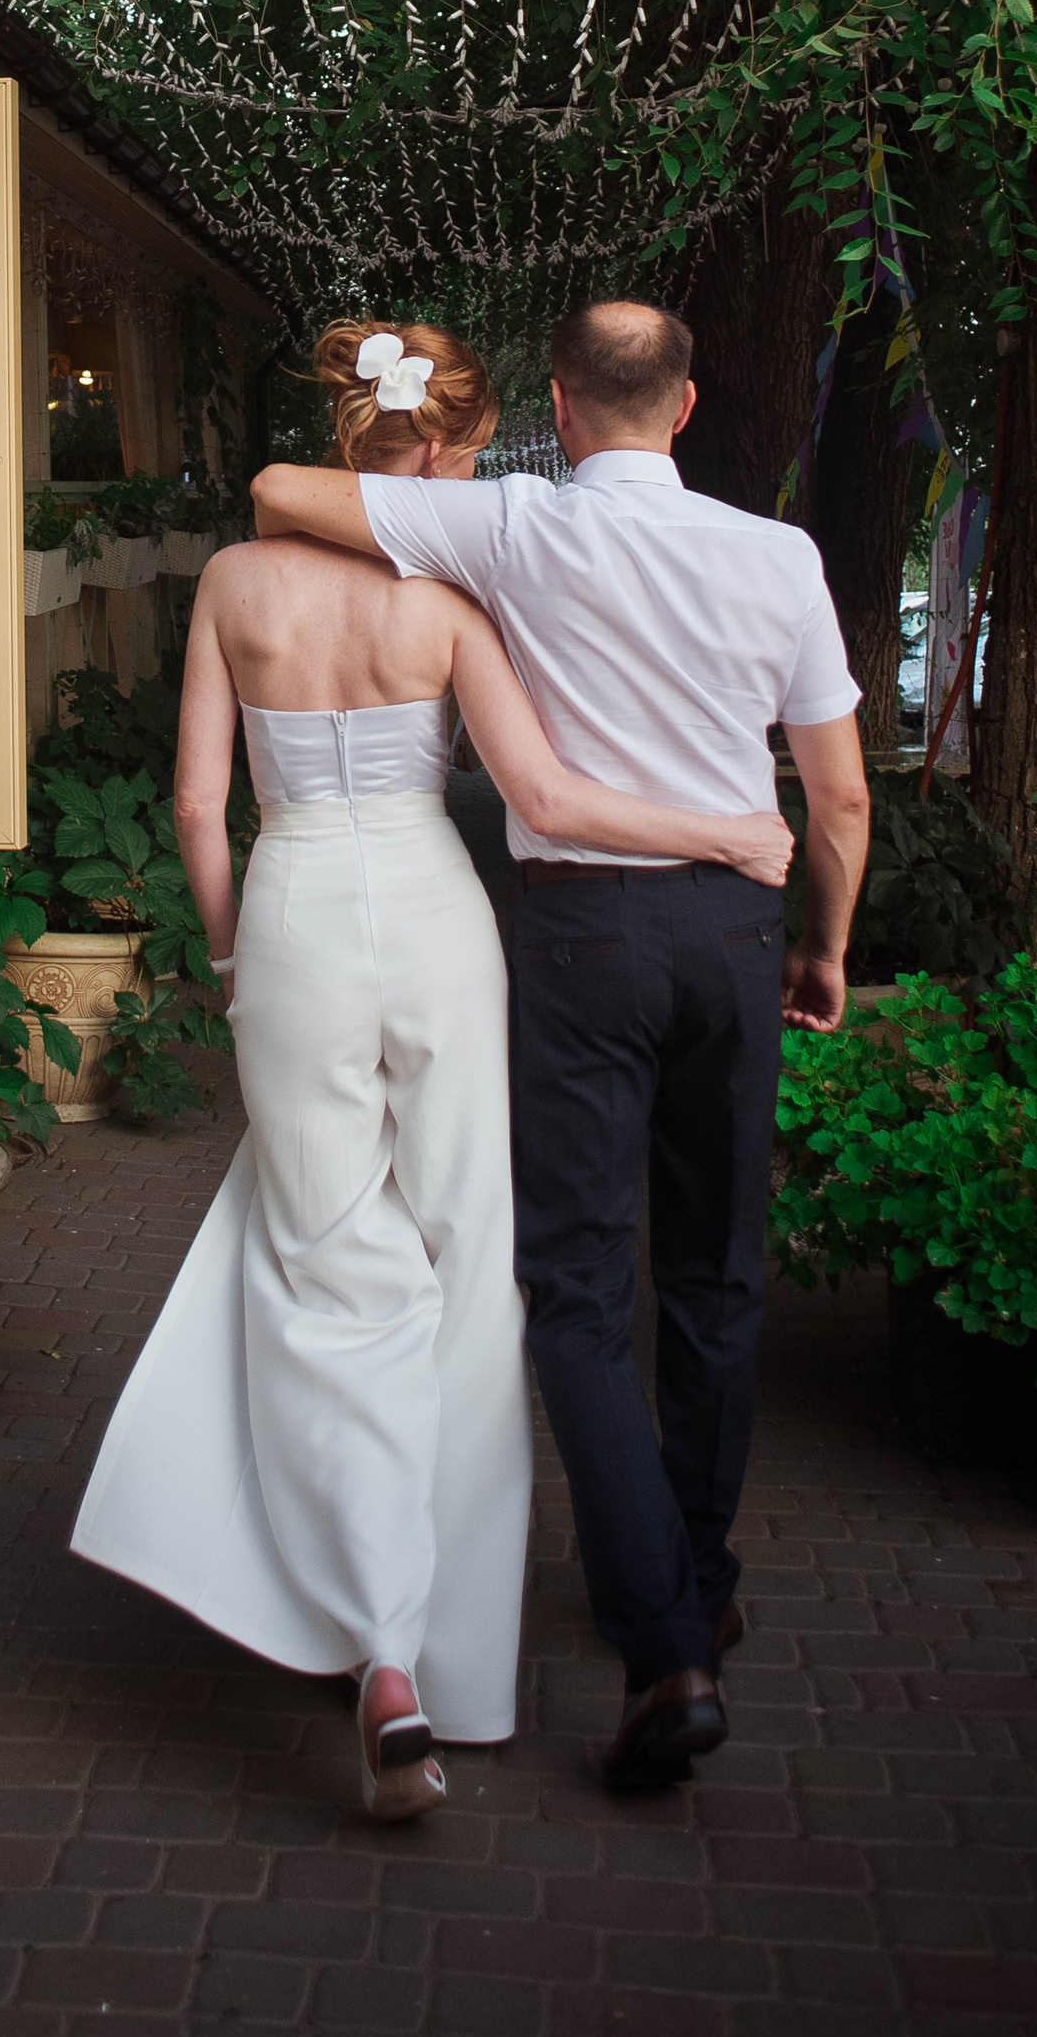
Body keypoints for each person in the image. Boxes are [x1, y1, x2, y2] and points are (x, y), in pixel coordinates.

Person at [70, 317, 794, 1822]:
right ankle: (465, 1666)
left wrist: (223, 962)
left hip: (293, 922)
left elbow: (204, 814)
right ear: (455, 454)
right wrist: (727, 834)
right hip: (438, 928)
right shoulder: (454, 600)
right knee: (479, 1271)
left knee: (332, 1267)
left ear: (349, 433)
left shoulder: (234, 584)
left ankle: (381, 1660)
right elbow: (545, 795)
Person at [251, 297, 870, 1798]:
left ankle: (662, 1641)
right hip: (734, 929)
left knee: (581, 1286)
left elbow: (281, 493)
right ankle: (697, 1575)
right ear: (690, 401)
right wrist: (826, 947)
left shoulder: (516, 527)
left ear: (563, 408)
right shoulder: (780, 558)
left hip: (585, 939)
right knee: (720, 1273)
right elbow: (839, 803)